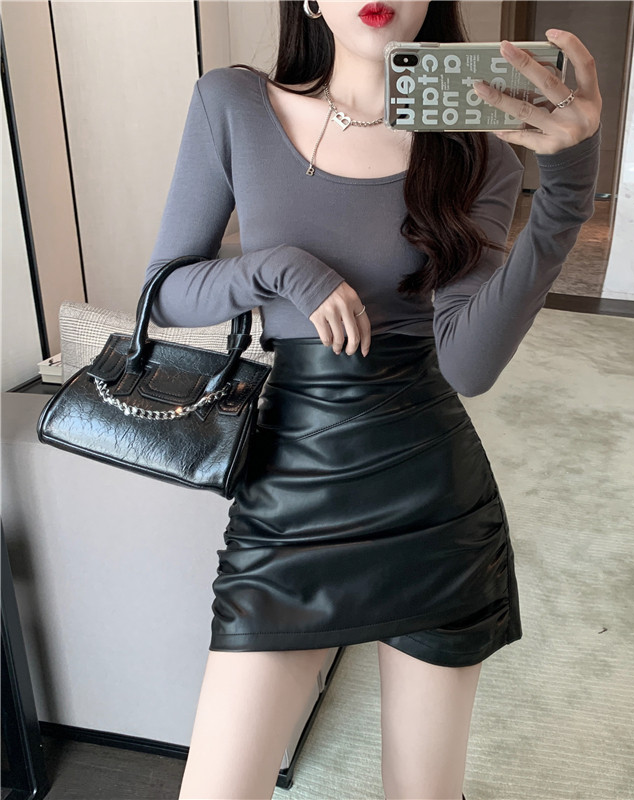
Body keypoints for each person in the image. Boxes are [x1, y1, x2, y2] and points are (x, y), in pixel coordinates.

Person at [144, 1, 602, 797]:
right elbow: (165, 291)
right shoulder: (232, 104)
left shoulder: (475, 150)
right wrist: (279, 268)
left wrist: (565, 193)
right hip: (288, 500)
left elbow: (468, 366)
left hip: (431, 504)